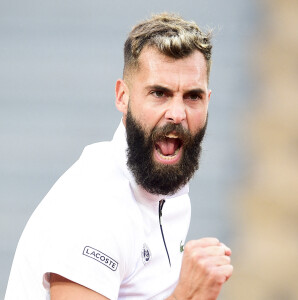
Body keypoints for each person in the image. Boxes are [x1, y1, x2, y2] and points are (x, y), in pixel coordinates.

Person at [5, 13, 233, 300]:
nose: (177, 113)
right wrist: (187, 295)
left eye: (192, 97)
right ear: (122, 97)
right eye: (159, 93)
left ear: (208, 101)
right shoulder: (94, 204)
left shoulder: (168, 188)